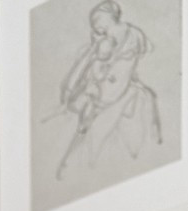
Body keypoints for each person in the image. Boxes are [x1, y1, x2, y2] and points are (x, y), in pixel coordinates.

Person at [55, 1, 161, 180]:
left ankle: (69, 160)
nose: (98, 31)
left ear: (108, 20)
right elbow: (144, 51)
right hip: (109, 89)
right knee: (85, 112)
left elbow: (96, 63)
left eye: (99, 26)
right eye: (97, 28)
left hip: (110, 91)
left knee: (87, 114)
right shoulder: (123, 36)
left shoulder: (119, 38)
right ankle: (69, 160)